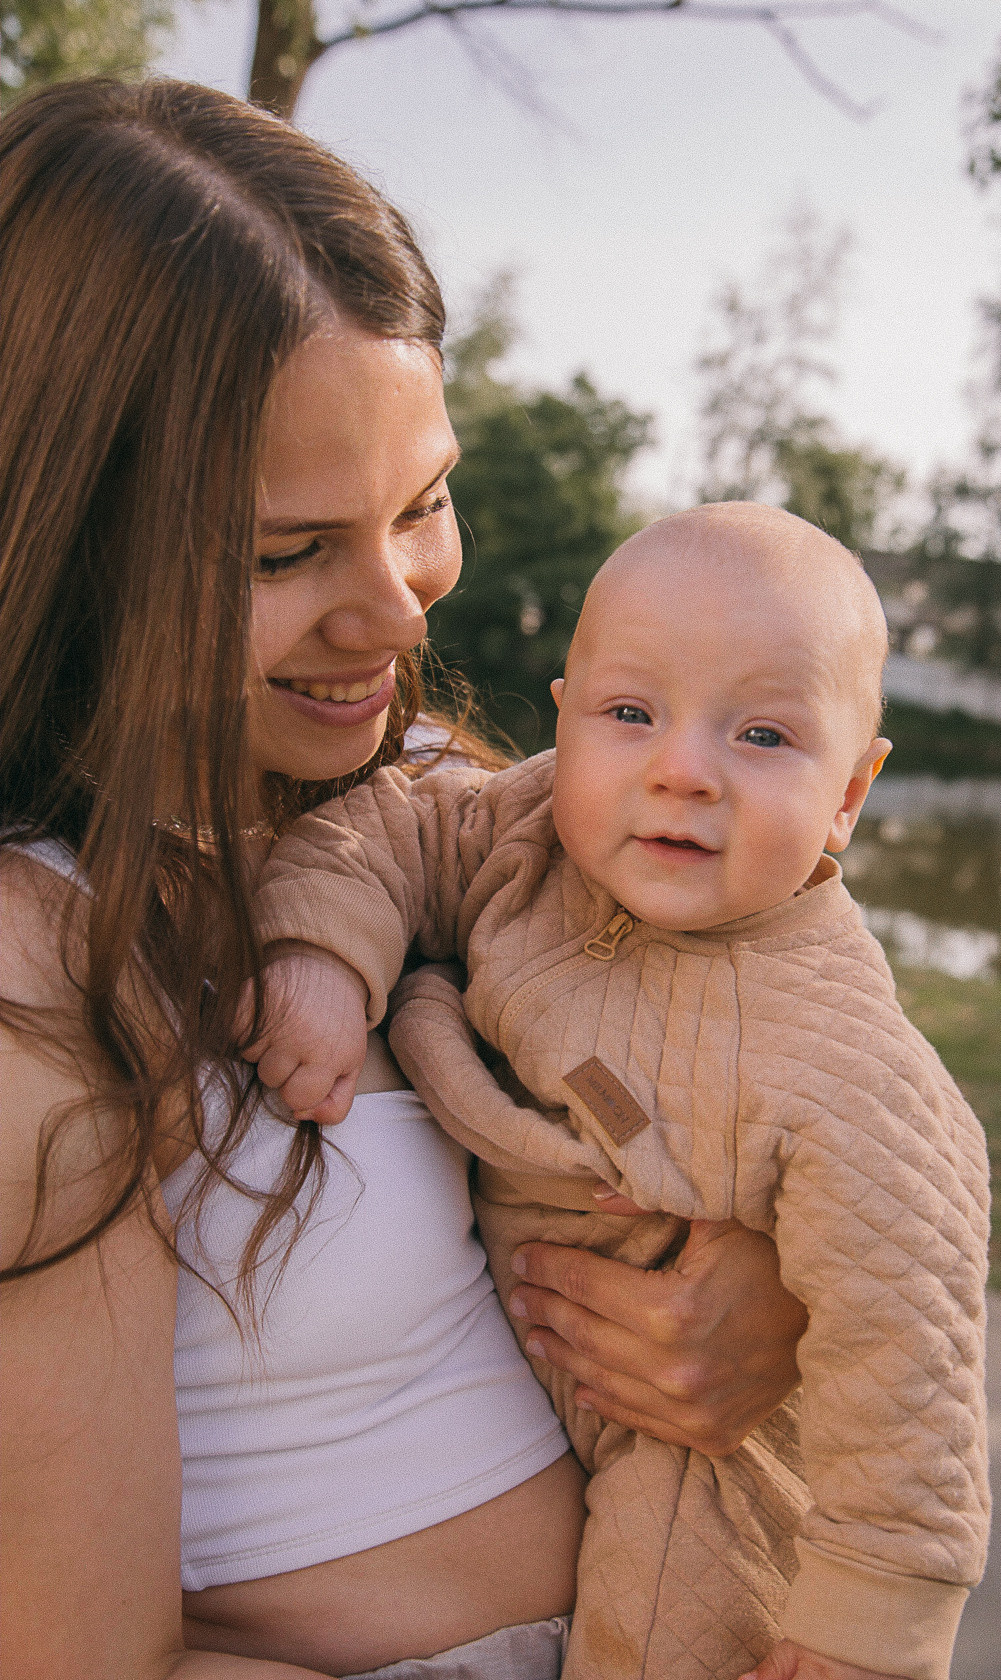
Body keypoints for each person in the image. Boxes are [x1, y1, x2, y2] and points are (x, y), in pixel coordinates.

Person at [0, 80, 811, 1680]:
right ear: (69, 540)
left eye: (421, 505)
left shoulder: (440, 800)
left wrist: (771, 1301)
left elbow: (782, 1074)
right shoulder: (43, 965)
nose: (396, 609)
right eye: (279, 553)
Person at [246, 504, 992, 1680]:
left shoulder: (849, 1068)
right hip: (525, 1384)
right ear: (563, 720)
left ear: (850, 792)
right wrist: (323, 961)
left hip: (700, 1465)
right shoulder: (525, 829)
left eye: (761, 735)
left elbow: (909, 1369)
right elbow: (380, 834)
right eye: (630, 714)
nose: (681, 770)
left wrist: (871, 1629)